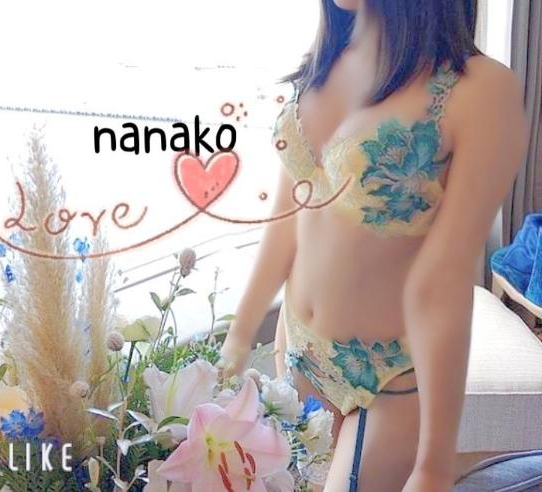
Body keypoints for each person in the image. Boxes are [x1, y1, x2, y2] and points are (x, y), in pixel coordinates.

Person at [219, 0, 528, 490]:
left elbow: (446, 276)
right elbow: (287, 220)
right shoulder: (329, 60)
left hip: (390, 377)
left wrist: (433, 462)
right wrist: (237, 338)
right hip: (298, 351)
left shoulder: (478, 90)